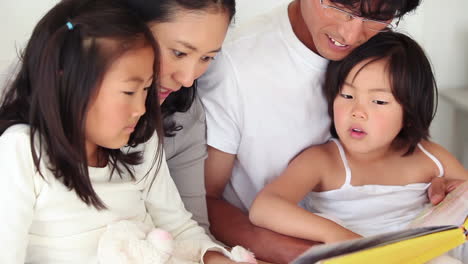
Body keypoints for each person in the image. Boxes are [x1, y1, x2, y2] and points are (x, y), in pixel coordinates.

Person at [197, 0, 456, 263]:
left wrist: (449, 195)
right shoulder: (237, 63)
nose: (351, 35)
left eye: (378, 16)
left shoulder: (385, 53)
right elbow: (204, 199)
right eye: (341, 7)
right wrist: (319, 252)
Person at [0, 0, 240, 263]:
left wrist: (218, 258)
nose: (141, 109)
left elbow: (181, 227)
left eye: (147, 90)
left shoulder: (143, 139)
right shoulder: (22, 150)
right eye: (129, 91)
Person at [248, 32, 467, 263]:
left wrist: (456, 193)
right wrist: (336, 235)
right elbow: (264, 207)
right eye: (347, 94)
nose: (357, 111)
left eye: (379, 101)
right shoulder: (324, 160)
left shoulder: (431, 157)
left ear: (410, 114)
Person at [120, 0, 235, 234]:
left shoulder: (183, 112)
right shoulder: (32, 127)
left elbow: (191, 230)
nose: (187, 79)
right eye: (179, 53)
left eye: (206, 58)